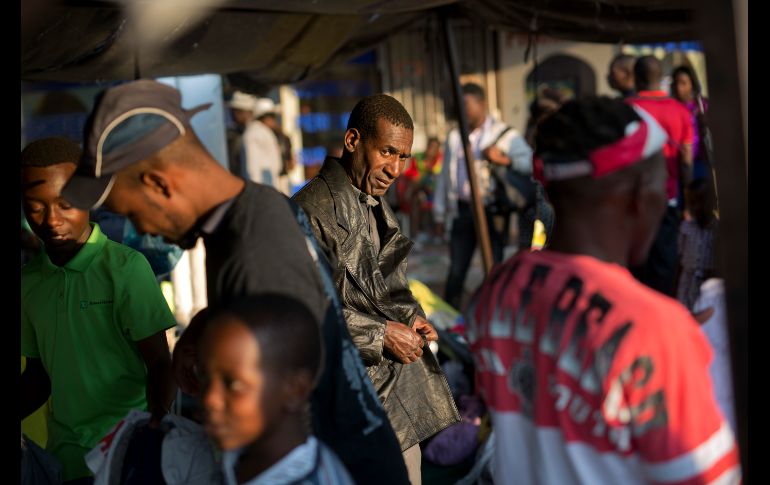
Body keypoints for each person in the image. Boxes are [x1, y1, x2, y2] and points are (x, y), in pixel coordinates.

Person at [61, 79, 409, 485]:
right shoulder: (254, 208)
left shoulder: (255, 244)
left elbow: (289, 398)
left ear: (159, 183)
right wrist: (208, 326)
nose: (146, 233)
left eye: (134, 215)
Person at [468, 97, 740, 484]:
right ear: (637, 196)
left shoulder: (493, 291)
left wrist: (667, 343)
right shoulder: (655, 333)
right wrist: (668, 347)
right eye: (660, 183)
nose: (664, 198)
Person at [293, 94, 460, 484]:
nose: (395, 169)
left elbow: (387, 285)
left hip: (390, 394)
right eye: (387, 152)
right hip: (347, 399)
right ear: (353, 141)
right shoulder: (308, 211)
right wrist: (381, 334)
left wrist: (413, 317)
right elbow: (303, 309)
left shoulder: (373, 203)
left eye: (403, 157)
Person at [21, 136, 176, 483]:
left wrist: (153, 434)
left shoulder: (125, 268)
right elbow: (38, 376)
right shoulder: (28, 283)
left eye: (65, 204)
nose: (51, 220)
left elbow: (160, 365)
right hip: (66, 461)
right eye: (35, 206)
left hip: (126, 457)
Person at [199, 295, 354, 485]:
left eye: (233, 385)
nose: (210, 399)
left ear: (295, 391)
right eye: (205, 378)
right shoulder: (240, 457)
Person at [434, 82, 533, 310]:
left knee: (493, 266)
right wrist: (439, 214)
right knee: (457, 269)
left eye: (466, 104)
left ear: (481, 104)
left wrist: (502, 159)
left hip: (492, 209)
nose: (462, 109)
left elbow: (529, 163)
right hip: (462, 209)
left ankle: (494, 312)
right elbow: (443, 176)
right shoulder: (454, 136)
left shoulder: (504, 135)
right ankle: (451, 317)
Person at [629, 55, 694, 296]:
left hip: (634, 200)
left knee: (637, 266)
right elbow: (685, 161)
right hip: (669, 198)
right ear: (661, 79)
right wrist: (686, 198)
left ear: (636, 78)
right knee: (665, 264)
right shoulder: (680, 111)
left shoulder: (626, 109)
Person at [675, 178, 718, 310]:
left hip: (709, 286)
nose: (694, 207)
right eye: (690, 203)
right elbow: (679, 259)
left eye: (699, 202)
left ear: (712, 203)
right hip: (687, 285)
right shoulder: (686, 227)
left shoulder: (717, 230)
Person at [671, 64, 711, 181]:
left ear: (692, 84)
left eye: (683, 83)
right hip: (678, 164)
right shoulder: (672, 107)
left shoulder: (703, 105)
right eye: (676, 83)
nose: (679, 88)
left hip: (701, 161)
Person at [254, 97, 295, 196]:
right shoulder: (255, 136)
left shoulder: (283, 137)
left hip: (281, 180)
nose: (270, 120)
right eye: (267, 117)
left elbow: (291, 163)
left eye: (272, 116)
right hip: (263, 182)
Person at [225, 91, 257, 178]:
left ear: (250, 113)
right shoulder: (231, 135)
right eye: (233, 111)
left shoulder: (256, 133)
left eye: (239, 111)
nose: (234, 115)